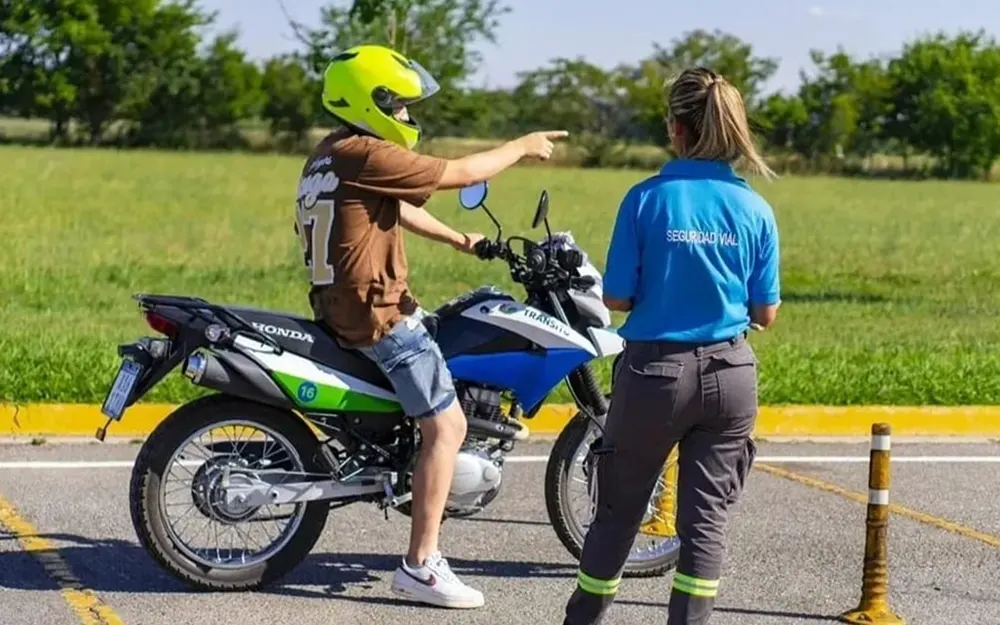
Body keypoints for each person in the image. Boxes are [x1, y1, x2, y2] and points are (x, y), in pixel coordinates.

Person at [291, 44, 567, 610]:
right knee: (447, 426)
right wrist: (521, 146)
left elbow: (393, 208)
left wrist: (461, 239)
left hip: (343, 308)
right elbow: (460, 173)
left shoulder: (330, 154)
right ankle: (421, 564)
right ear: (371, 101)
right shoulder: (366, 151)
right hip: (378, 315)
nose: (406, 116)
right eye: (399, 105)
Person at [561, 66, 781, 625]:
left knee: (618, 513)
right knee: (706, 523)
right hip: (731, 375)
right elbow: (766, 313)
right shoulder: (755, 208)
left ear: (676, 129)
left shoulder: (646, 199)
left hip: (655, 376)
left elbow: (617, 297)